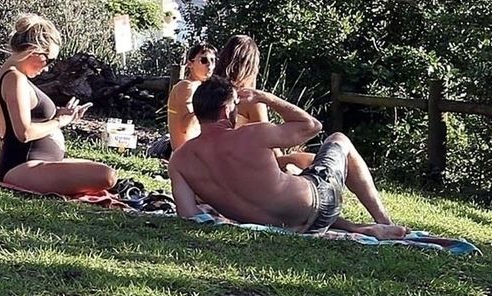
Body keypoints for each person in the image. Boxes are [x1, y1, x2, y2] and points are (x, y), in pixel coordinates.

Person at [169, 78, 405, 238]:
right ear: (226, 110)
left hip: (280, 224)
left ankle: (359, 228)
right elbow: (312, 126)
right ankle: (384, 221)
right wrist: (266, 98)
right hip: (319, 203)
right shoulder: (253, 133)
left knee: (287, 181)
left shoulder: (179, 160)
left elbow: (189, 215)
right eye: (236, 105)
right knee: (339, 140)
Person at [0, 13, 118, 196]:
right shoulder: (14, 78)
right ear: (33, 50)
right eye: (47, 59)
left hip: (36, 162)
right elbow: (23, 133)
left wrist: (62, 114)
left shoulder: (15, 77)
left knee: (105, 171)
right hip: (23, 166)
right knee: (106, 176)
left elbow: (28, 117)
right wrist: (60, 121)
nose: (48, 67)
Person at [216, 33, 313, 170]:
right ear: (251, 66)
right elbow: (270, 144)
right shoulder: (250, 100)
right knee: (314, 159)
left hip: (216, 158)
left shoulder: (208, 92)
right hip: (246, 164)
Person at [165, 41, 217, 150]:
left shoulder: (199, 87)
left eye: (213, 60)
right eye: (204, 60)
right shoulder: (187, 87)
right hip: (187, 156)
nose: (210, 65)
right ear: (190, 64)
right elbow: (186, 126)